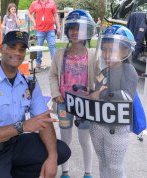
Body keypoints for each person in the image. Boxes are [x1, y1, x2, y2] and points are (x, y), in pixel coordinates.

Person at [0, 30, 71, 178]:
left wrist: (52, 157)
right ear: (1, 48)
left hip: (15, 145)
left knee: (61, 150)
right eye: (12, 47)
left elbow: (45, 120)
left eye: (22, 49)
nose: (17, 52)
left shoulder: (28, 83)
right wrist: (22, 127)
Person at [49, 10, 96, 178]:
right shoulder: (60, 54)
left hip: (85, 105)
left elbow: (100, 76)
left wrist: (95, 91)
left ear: (87, 31)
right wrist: (55, 93)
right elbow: (53, 75)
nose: (75, 32)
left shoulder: (93, 55)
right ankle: (65, 172)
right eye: (72, 28)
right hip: (64, 102)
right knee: (65, 139)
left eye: (80, 28)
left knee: (85, 139)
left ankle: (88, 173)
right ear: (67, 31)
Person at [89, 25, 138, 178]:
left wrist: (103, 94)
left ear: (124, 51)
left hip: (117, 126)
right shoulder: (104, 71)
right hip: (98, 124)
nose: (106, 54)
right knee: (102, 162)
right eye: (104, 49)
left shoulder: (128, 71)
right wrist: (89, 93)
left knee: (115, 167)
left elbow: (128, 96)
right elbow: (96, 89)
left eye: (113, 49)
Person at [28, 0, 61, 69]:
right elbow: (29, 13)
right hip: (39, 29)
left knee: (52, 46)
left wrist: (58, 27)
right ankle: (38, 62)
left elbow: (55, 15)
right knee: (39, 47)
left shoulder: (52, 2)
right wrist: (34, 22)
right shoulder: (35, 3)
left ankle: (54, 64)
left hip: (50, 29)